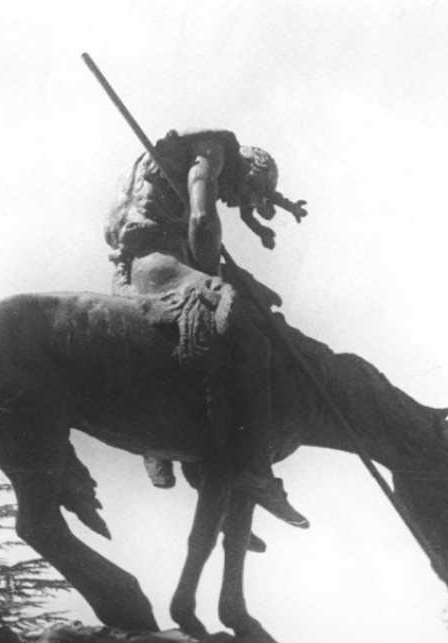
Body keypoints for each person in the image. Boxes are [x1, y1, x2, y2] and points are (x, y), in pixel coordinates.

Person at [105, 129, 309, 528]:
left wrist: (267, 220)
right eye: (247, 195)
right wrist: (215, 279)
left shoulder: (216, 161)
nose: (241, 205)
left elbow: (239, 202)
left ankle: (210, 489)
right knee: (246, 329)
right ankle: (255, 471)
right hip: (156, 259)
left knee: (259, 297)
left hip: (147, 257)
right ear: (247, 171)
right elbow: (201, 217)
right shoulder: (212, 153)